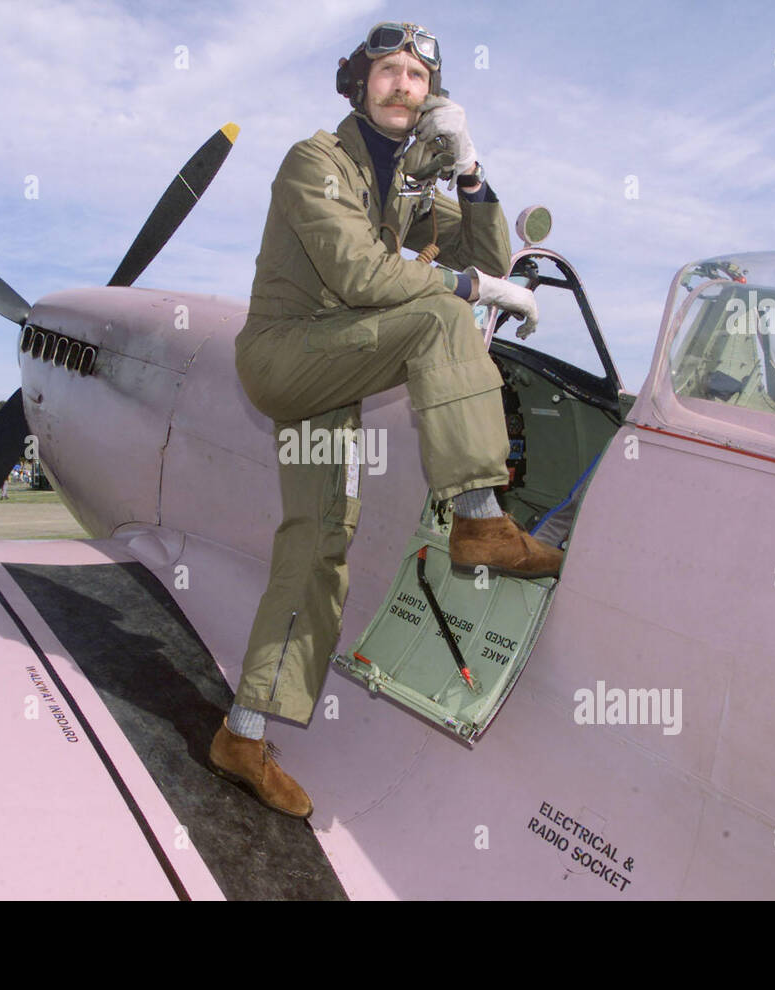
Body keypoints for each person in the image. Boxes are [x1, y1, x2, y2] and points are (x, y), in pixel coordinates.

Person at [210, 22, 561, 819]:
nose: (402, 85)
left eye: (417, 75)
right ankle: (480, 519)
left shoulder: (403, 188)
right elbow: (363, 274)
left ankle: (243, 734)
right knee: (440, 316)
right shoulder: (316, 163)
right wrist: (467, 292)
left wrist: (469, 170)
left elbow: (494, 259)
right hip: (284, 359)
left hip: (335, 372)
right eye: (388, 71)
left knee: (319, 547)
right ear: (358, 82)